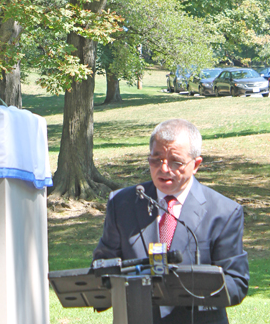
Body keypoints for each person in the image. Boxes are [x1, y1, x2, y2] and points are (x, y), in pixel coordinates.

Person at [93, 118, 249, 323]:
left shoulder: (223, 212)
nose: (164, 168)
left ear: (196, 164)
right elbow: (102, 267)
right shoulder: (122, 203)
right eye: (156, 159)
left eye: (175, 161)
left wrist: (184, 289)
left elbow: (236, 283)